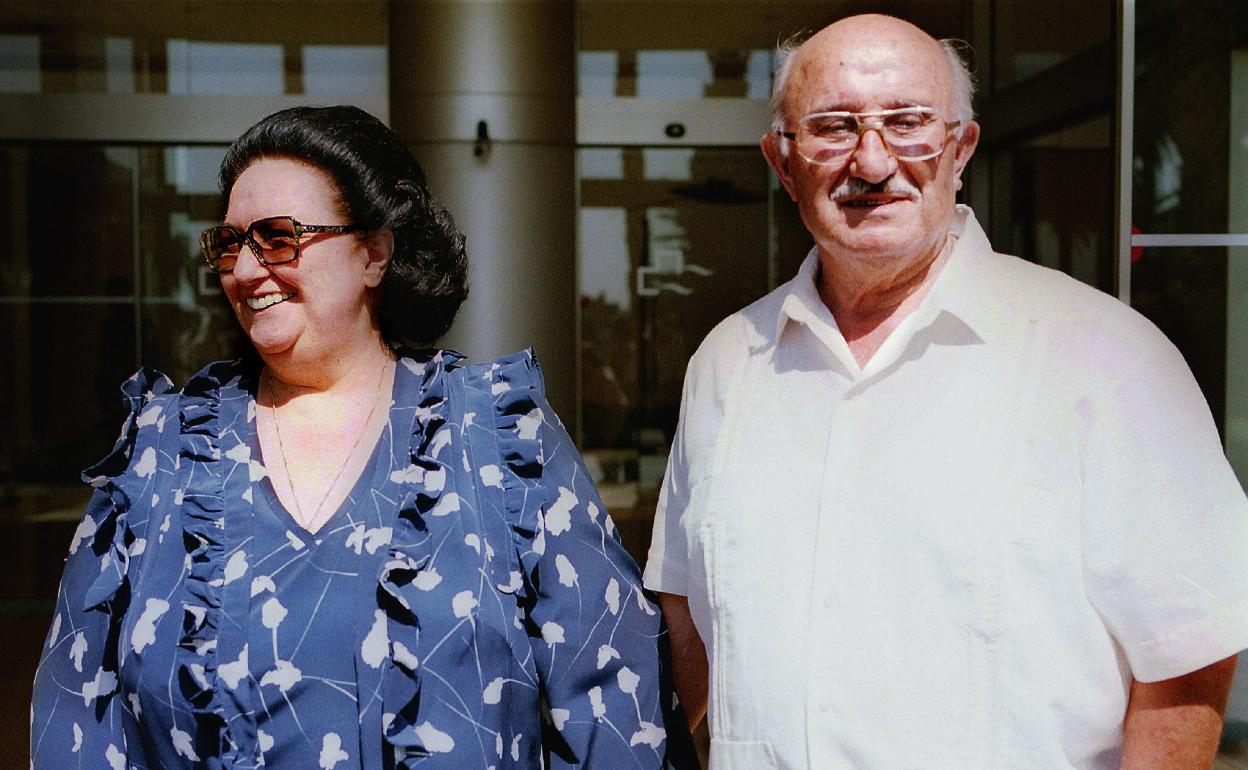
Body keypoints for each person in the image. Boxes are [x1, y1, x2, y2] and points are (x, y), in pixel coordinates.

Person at [645, 14, 1248, 770]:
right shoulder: (728, 363)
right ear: (782, 161)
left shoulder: (1106, 356)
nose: (872, 162)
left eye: (908, 124)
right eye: (833, 128)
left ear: (961, 149)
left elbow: (1186, 660)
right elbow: (687, 627)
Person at [31, 105, 697, 770]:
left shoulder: (498, 435)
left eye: (278, 238)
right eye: (229, 244)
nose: (246, 270)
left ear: (374, 253)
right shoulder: (162, 452)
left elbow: (618, 702)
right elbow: (75, 717)